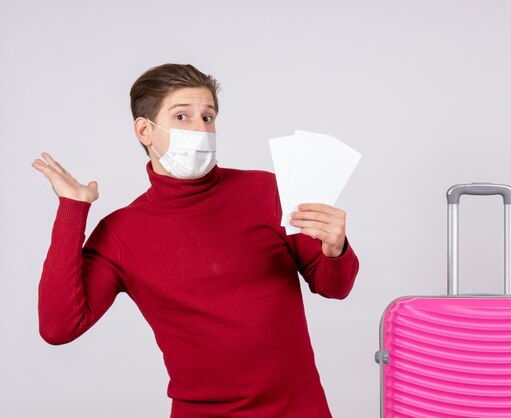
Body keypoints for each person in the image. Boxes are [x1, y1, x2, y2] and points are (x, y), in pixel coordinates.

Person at [32, 63, 359, 418]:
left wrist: (336, 248)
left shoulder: (267, 191)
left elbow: (334, 287)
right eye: (182, 117)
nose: (200, 129)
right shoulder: (121, 233)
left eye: (208, 117)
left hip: (300, 410)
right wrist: (72, 209)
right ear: (145, 130)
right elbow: (59, 327)